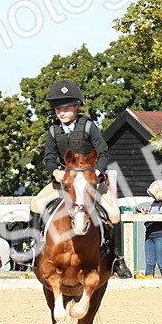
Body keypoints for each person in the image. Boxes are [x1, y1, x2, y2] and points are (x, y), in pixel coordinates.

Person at [27, 79, 120, 244]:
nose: (61, 113)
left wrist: (96, 172)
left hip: (90, 183)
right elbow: (49, 157)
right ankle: (33, 246)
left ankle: (116, 257)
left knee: (114, 213)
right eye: (58, 110)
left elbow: (103, 152)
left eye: (66, 109)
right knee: (35, 204)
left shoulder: (89, 126)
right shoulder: (53, 131)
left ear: (76, 107)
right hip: (65, 182)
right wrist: (56, 172)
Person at [136, 180, 162, 279]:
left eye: (153, 194)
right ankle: (148, 285)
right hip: (149, 235)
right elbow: (154, 214)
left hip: (161, 235)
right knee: (149, 264)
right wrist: (146, 212)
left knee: (161, 263)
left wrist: (148, 214)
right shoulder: (154, 202)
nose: (152, 196)